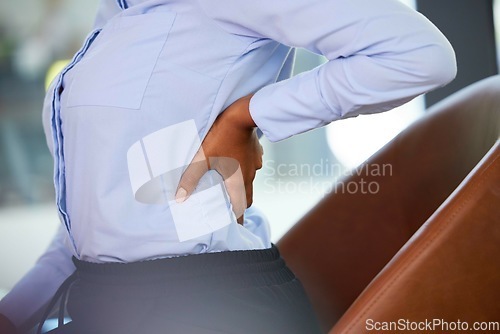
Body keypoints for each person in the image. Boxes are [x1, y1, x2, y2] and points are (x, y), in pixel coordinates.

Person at [0, 0, 456, 332]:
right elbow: (95, 217)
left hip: (208, 308)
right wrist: (15, 311)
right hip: (110, 302)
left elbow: (418, 55)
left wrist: (249, 116)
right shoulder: (116, 18)